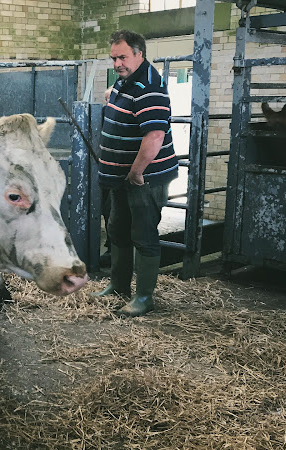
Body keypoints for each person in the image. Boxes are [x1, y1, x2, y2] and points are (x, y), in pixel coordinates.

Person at [90, 30, 178, 317]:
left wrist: (137, 171)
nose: (117, 63)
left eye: (122, 57)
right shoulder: (126, 79)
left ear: (139, 53)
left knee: (143, 235)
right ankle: (118, 286)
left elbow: (154, 134)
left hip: (143, 179)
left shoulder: (148, 85)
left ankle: (144, 296)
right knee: (118, 230)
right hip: (121, 177)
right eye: (114, 57)